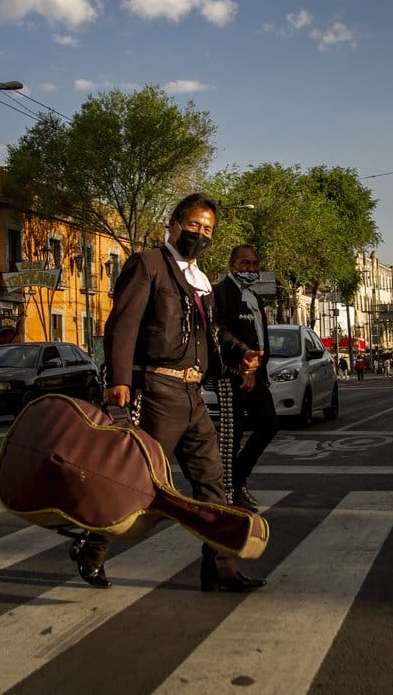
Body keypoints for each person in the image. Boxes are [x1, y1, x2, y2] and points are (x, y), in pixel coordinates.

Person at [76, 193, 266, 594]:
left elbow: (214, 333)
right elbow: (122, 324)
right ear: (174, 223)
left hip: (193, 392)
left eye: (208, 229)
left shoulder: (200, 281)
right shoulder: (147, 265)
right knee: (139, 481)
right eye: (195, 225)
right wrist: (120, 379)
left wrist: (242, 352)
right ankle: (92, 547)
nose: (200, 234)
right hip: (158, 390)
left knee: (213, 482)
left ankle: (220, 568)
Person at [211, 244, 277, 514]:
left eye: (255, 264)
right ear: (232, 265)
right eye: (245, 263)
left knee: (269, 424)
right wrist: (242, 362)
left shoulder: (254, 298)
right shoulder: (219, 294)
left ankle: (238, 478)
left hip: (256, 375)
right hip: (231, 375)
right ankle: (226, 496)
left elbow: (260, 337)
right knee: (231, 434)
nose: (251, 269)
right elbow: (219, 332)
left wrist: (258, 371)